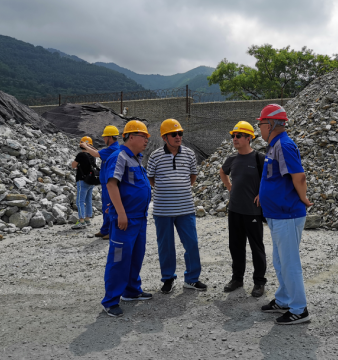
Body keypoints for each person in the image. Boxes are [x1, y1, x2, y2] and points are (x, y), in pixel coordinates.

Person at [257, 104, 313, 325]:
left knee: (289, 263)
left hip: (287, 214)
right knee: (280, 261)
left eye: (261, 124)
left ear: (270, 124)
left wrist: (304, 198)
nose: (259, 129)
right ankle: (284, 300)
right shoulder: (275, 145)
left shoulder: (284, 145)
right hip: (277, 214)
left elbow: (299, 177)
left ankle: (299, 309)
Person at [147, 118, 207, 294]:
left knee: (192, 243)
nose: (178, 136)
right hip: (163, 210)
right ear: (164, 137)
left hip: (185, 209)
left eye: (180, 133)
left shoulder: (189, 154)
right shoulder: (155, 156)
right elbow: (151, 179)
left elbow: (193, 177)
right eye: (173, 134)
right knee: (165, 246)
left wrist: (179, 188)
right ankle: (168, 278)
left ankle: (192, 279)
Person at [101, 120, 153, 317]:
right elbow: (111, 184)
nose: (147, 140)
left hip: (139, 218)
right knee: (119, 258)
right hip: (125, 219)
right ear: (131, 136)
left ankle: (131, 290)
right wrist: (121, 213)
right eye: (143, 136)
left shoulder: (136, 158)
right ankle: (110, 300)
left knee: (136, 255)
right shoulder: (119, 156)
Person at [219, 121, 267, 297]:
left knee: (256, 248)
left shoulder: (259, 158)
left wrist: (262, 193)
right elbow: (222, 172)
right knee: (236, 246)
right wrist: (229, 187)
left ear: (249, 138)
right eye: (233, 136)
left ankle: (259, 282)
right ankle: (237, 279)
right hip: (235, 210)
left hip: (253, 211)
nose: (235, 139)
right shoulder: (232, 159)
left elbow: (270, 178)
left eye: (238, 136)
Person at [80, 125, 121, 240]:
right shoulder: (111, 149)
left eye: (105, 137)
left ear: (110, 137)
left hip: (109, 182)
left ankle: (111, 231)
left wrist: (85, 146)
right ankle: (105, 229)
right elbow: (98, 152)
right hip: (105, 182)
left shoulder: (112, 149)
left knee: (109, 207)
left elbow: (96, 154)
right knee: (105, 206)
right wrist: (89, 146)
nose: (103, 139)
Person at [71, 136, 98, 230]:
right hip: (91, 181)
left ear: (81, 145)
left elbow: (73, 165)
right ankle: (87, 219)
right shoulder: (93, 156)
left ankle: (81, 221)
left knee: (80, 201)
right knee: (88, 200)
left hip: (82, 180)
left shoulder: (80, 155)